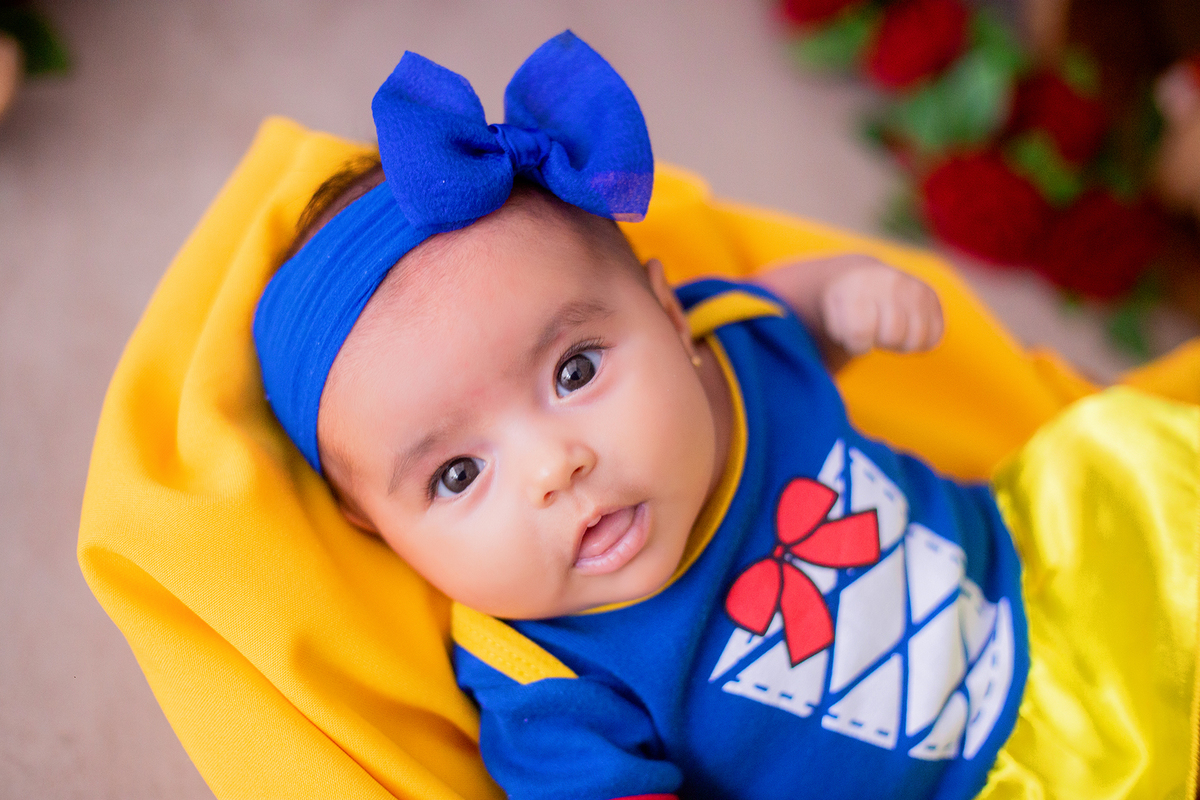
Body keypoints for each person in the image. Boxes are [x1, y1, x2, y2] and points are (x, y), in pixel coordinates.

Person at [253, 31, 1199, 800]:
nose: (556, 465)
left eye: (575, 370)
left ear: (668, 316)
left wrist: (851, 296)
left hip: (1040, 577)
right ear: (375, 529)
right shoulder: (541, 674)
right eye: (457, 474)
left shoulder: (724, 356)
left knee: (1136, 459)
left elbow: (787, 310)